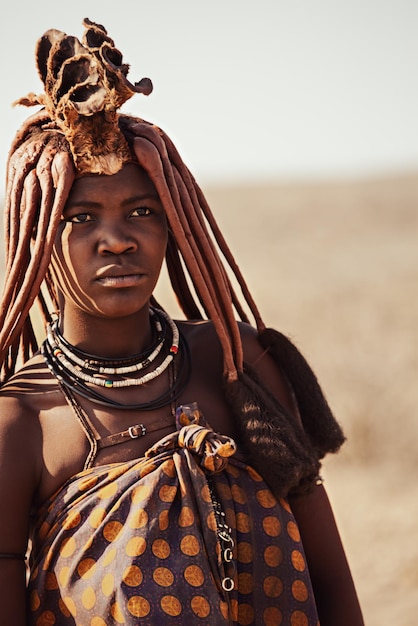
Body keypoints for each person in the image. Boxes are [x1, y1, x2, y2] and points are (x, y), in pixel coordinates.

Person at [0, 18, 364, 626]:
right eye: (81, 217)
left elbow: (327, 578)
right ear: (37, 237)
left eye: (141, 211)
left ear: (172, 226)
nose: (115, 240)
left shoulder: (238, 366)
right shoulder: (22, 422)